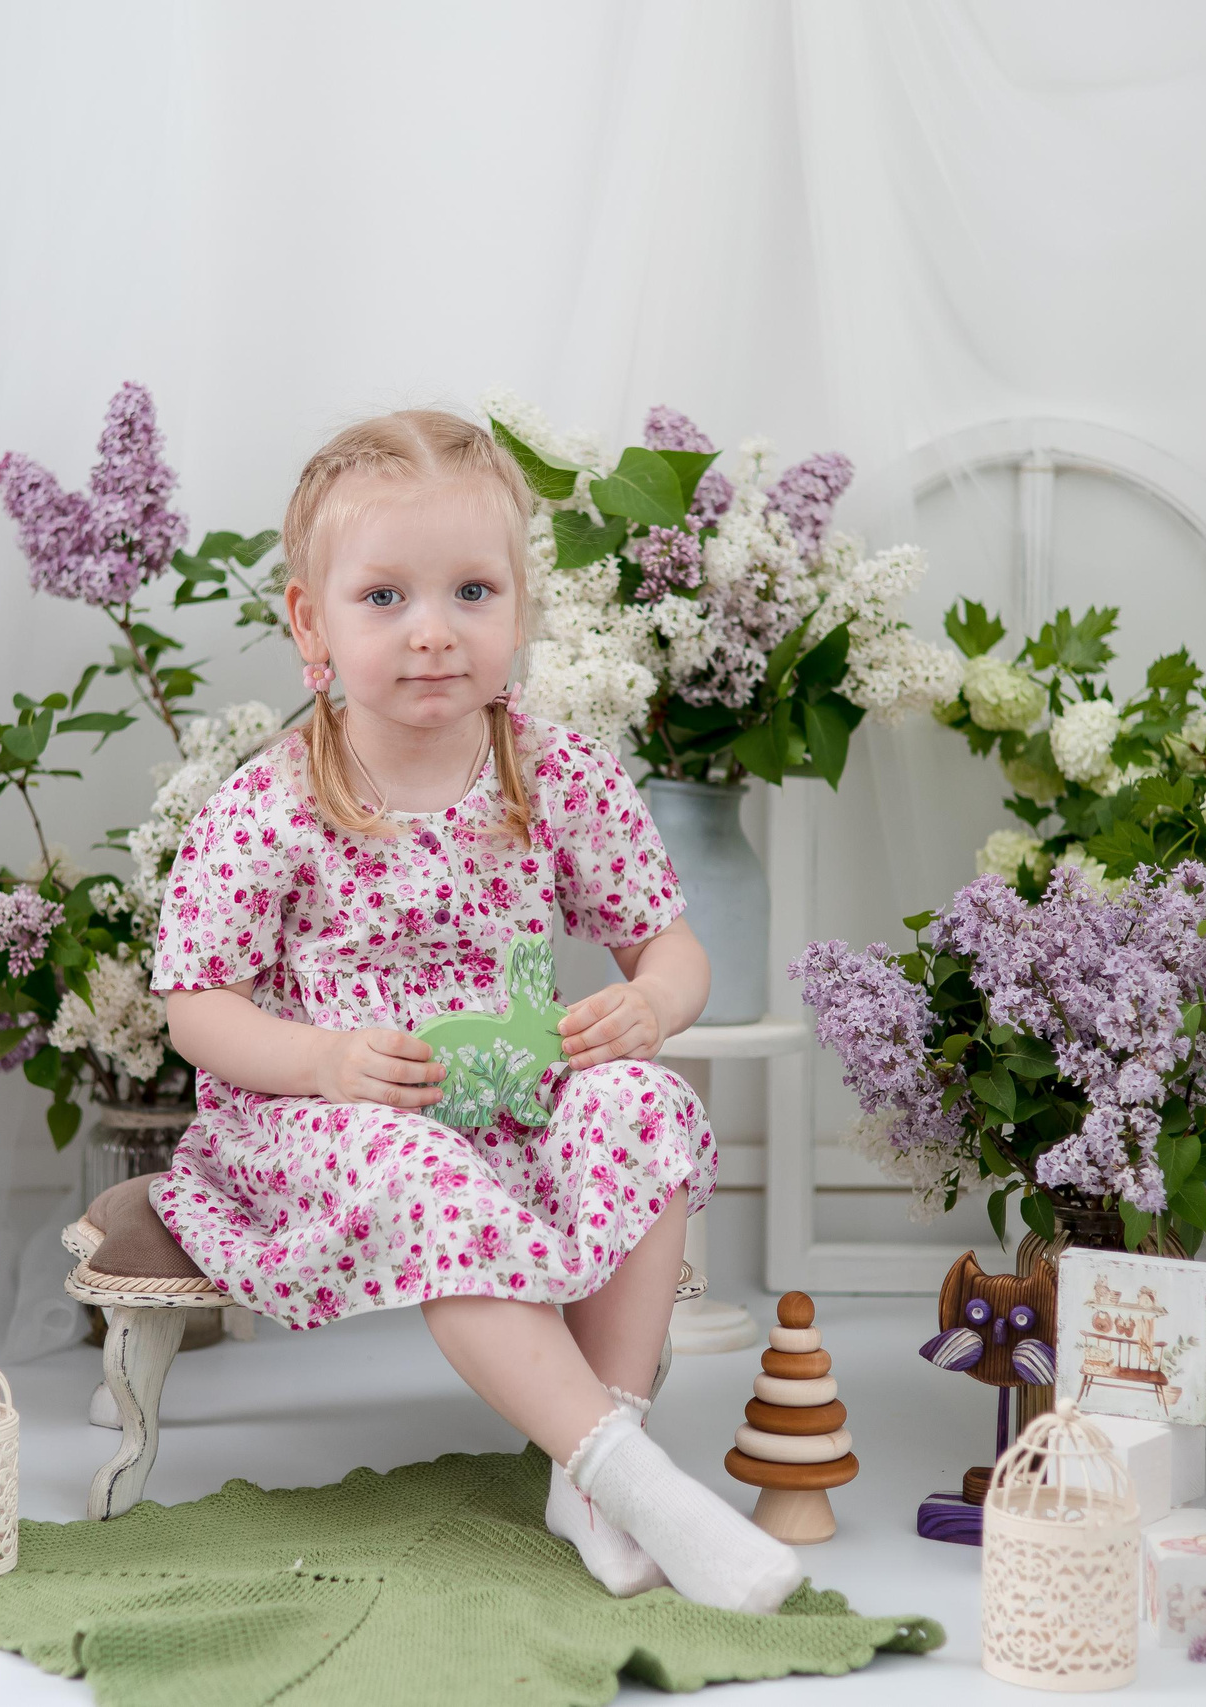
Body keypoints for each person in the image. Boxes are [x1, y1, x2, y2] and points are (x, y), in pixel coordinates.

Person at [153, 409, 801, 1614]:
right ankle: (633, 1482)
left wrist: (649, 1005)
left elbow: (670, 946)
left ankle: (595, 1463)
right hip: (329, 1121)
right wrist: (326, 1060)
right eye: (383, 598)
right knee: (425, 1171)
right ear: (311, 624)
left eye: (471, 592)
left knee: (643, 1103)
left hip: (512, 1099)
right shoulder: (271, 803)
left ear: (519, 609)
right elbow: (197, 1008)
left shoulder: (554, 775)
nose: (433, 631)